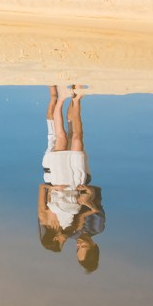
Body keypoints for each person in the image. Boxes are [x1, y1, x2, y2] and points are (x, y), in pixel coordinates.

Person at [37, 84, 105, 272]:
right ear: (93, 247)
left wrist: (53, 188)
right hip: (79, 181)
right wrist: (88, 198)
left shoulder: (70, 231)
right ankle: (75, 99)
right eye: (81, 248)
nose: (77, 245)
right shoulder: (95, 228)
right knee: (75, 137)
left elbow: (43, 192)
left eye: (77, 249)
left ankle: (62, 97)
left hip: (64, 181)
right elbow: (94, 203)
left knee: (61, 136)